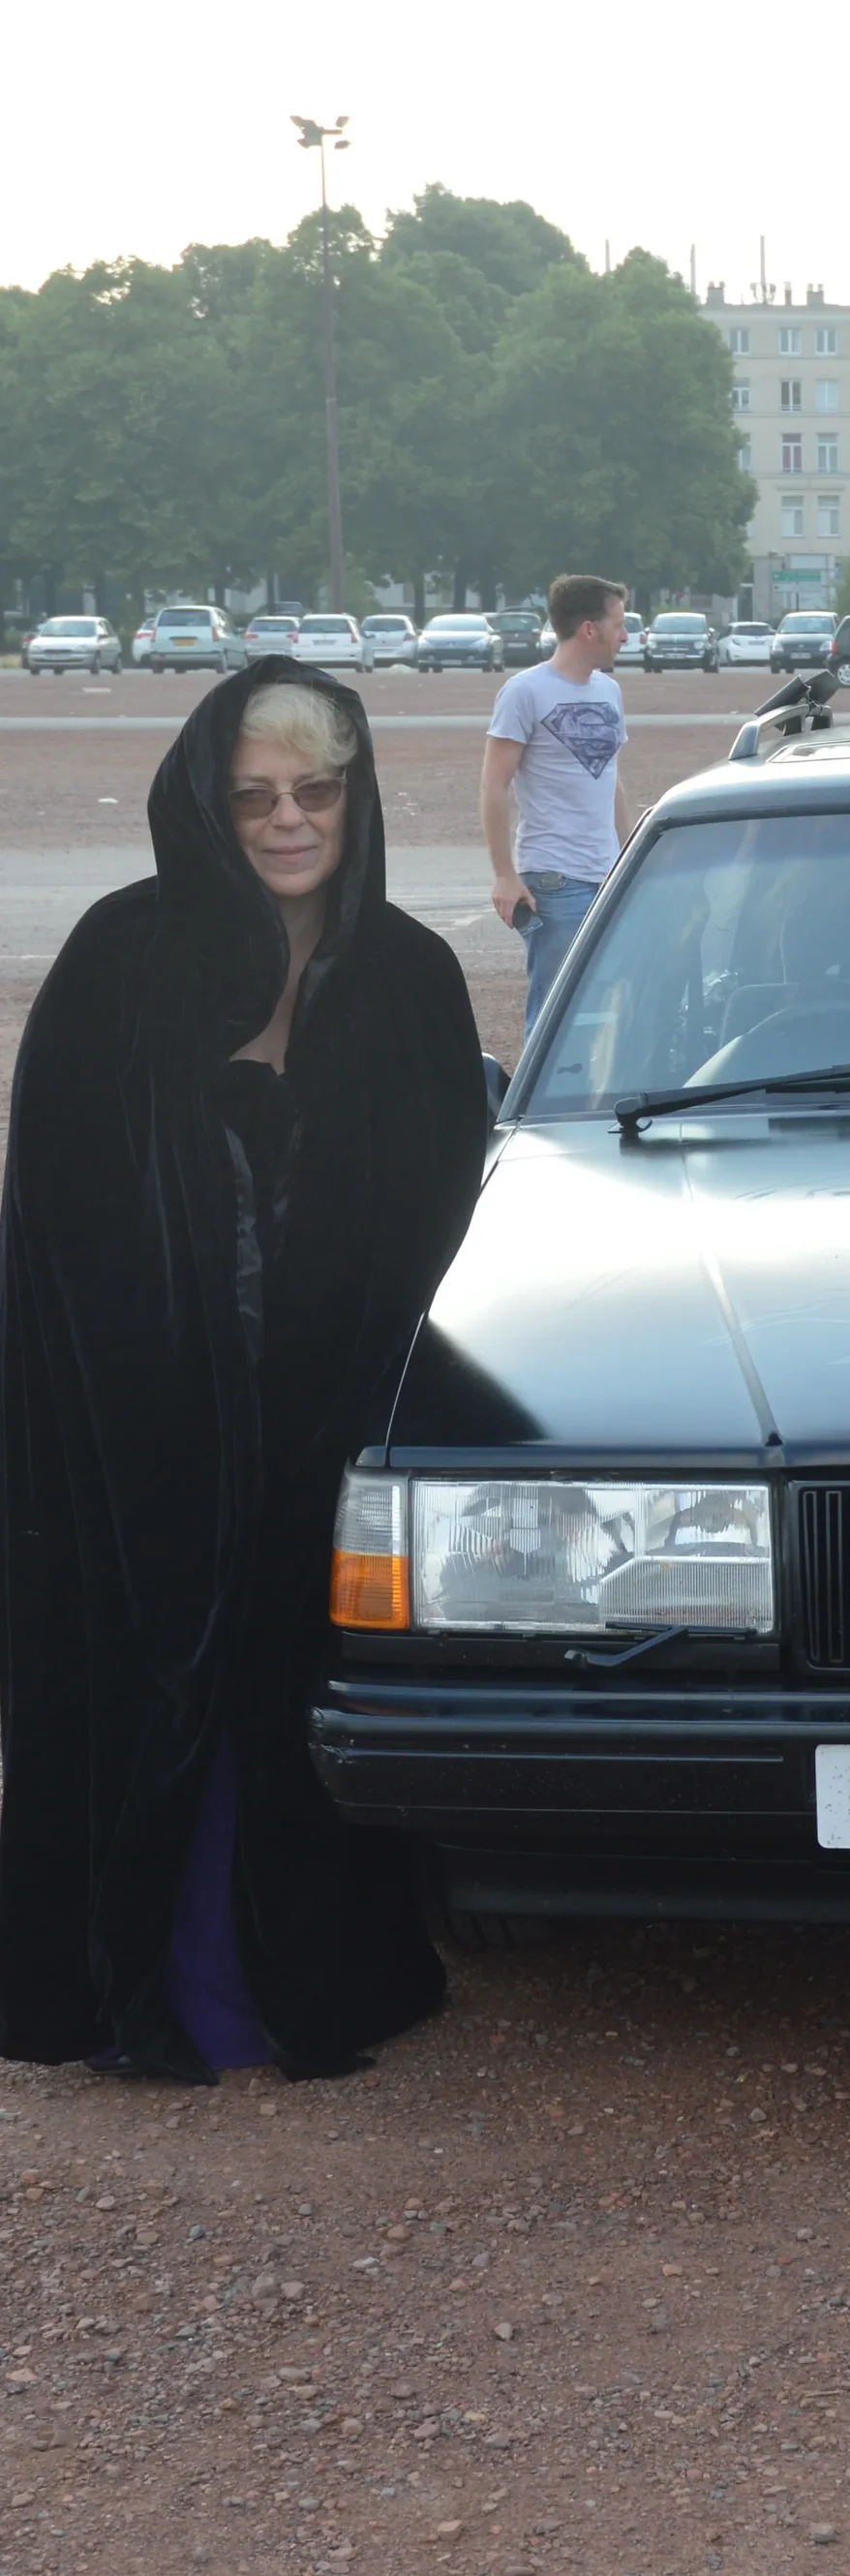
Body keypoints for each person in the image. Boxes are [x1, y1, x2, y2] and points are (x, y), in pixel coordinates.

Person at [0, 660, 490, 2080]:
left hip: (327, 1422)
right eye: (256, 797)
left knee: (303, 1689)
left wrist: (348, 1395)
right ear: (209, 807)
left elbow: (443, 1215)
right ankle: (129, 1986)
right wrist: (159, 1390)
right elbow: (60, 1209)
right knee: (146, 1685)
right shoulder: (118, 958)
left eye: (316, 793)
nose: (288, 822)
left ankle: (309, 1983)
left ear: (356, 798)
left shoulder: (406, 975)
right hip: (137, 1422)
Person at [482, 574, 633, 1032]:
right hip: (554, 879)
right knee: (556, 1014)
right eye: (619, 624)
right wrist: (505, 876)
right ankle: (542, 1106)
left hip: (608, 874)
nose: (625, 636)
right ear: (589, 629)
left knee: (613, 1005)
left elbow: (610, 777)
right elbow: (493, 785)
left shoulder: (609, 691)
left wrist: (631, 854)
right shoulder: (524, 692)